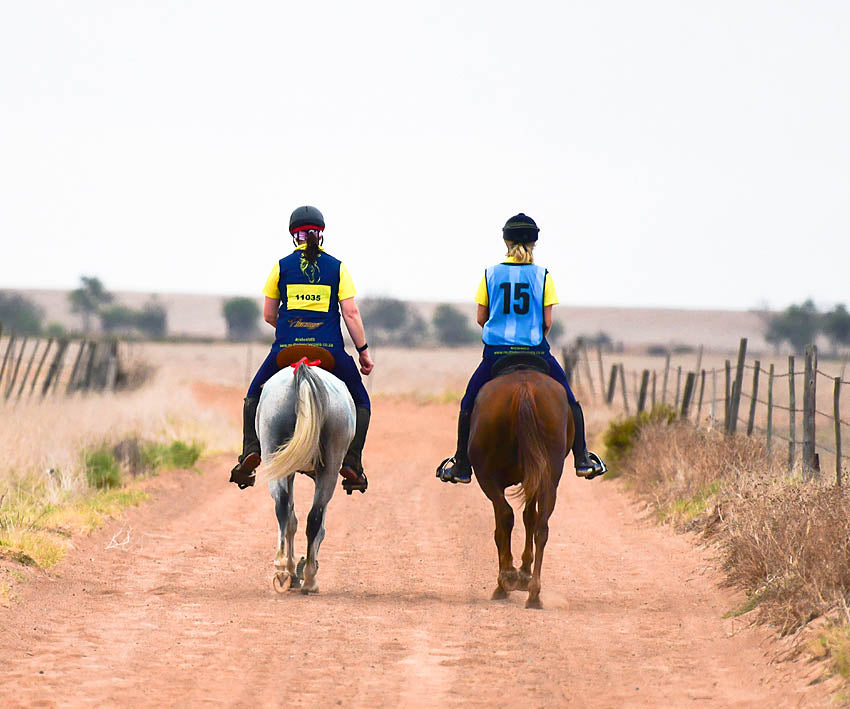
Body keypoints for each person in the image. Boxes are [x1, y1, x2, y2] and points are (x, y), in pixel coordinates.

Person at [436, 212, 605, 484]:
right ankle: (583, 458)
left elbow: (481, 318)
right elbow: (547, 322)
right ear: (534, 243)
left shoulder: (490, 273)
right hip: (537, 354)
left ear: (506, 241)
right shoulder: (543, 276)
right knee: (570, 401)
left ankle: (461, 464)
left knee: (469, 402)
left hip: (496, 355)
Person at [229, 205, 374, 493]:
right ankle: (353, 463)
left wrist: (290, 334)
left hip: (286, 350)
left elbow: (269, 315)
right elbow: (352, 314)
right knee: (361, 401)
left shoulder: (281, 267)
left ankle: (250, 452)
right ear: (321, 235)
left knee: (254, 395)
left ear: (293, 236)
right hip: (330, 352)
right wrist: (363, 351)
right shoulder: (338, 267)